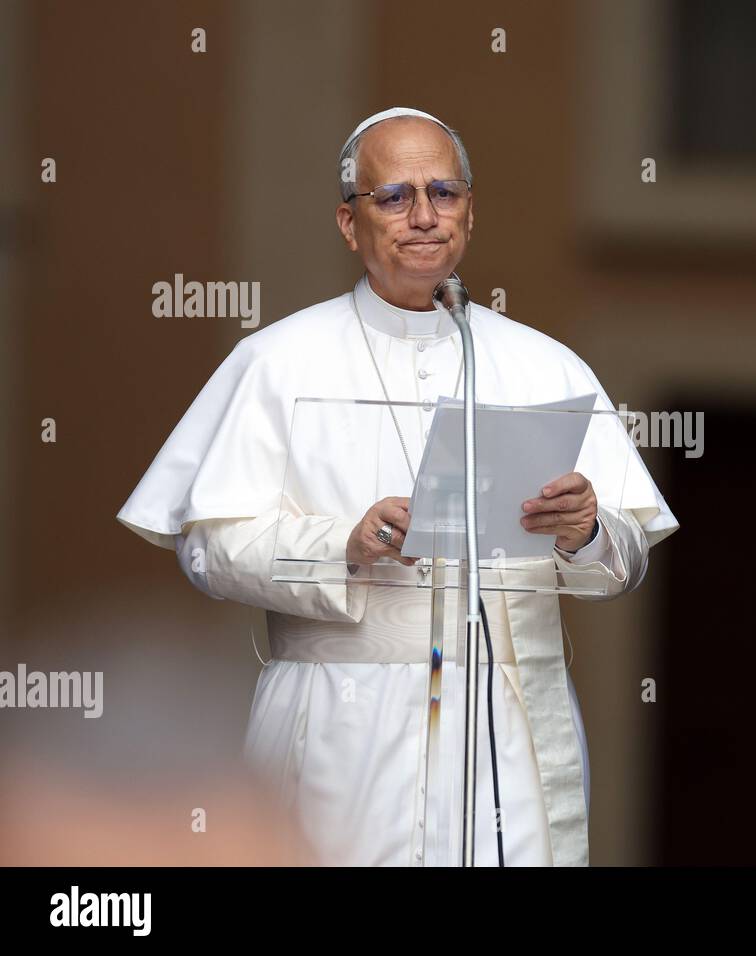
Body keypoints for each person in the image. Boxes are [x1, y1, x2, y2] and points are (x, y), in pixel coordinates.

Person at [117, 107, 678, 866]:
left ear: (470, 213)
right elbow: (208, 549)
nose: (423, 216)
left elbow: (627, 560)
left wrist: (586, 531)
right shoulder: (279, 361)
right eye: (394, 197)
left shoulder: (547, 366)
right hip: (340, 727)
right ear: (350, 223)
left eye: (444, 193)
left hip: (505, 733)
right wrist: (342, 545)